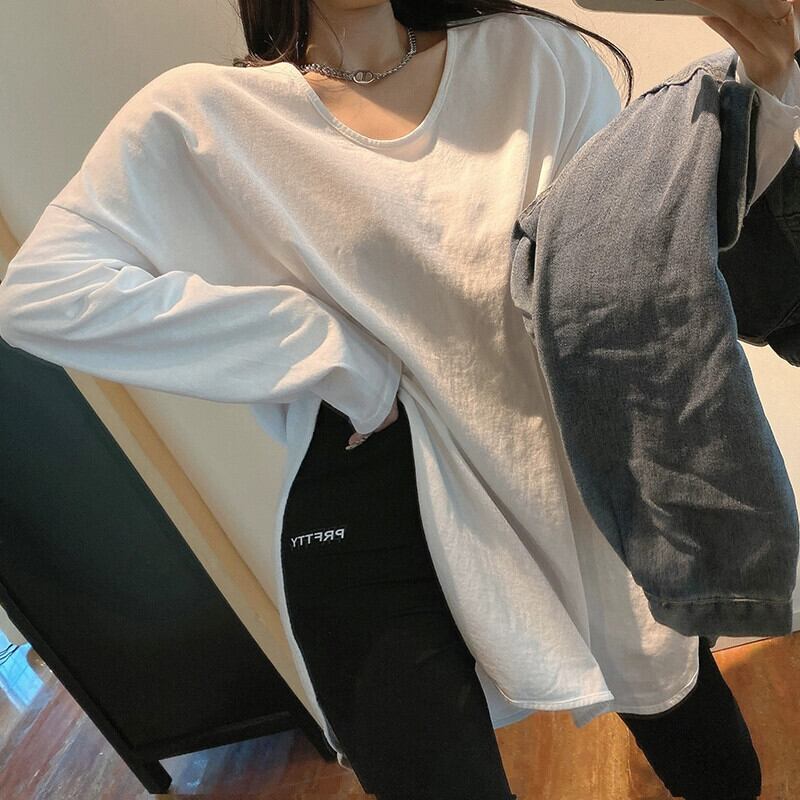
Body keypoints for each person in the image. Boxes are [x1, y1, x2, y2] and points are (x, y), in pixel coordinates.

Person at [2, 1, 797, 798]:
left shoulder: (533, 57)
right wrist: (322, 346)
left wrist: (766, 85)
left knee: (715, 761)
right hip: (374, 486)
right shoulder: (206, 116)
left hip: (571, 459)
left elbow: (640, 253)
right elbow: (41, 294)